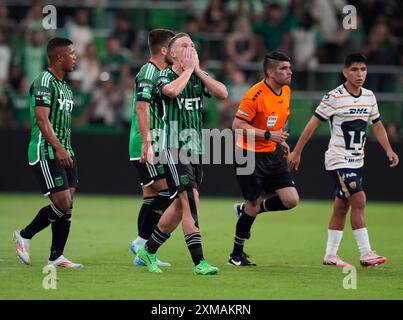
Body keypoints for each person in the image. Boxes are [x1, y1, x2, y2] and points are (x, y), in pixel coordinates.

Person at [288, 53, 399, 267]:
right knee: (359, 200)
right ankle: (366, 253)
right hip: (338, 160)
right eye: (355, 69)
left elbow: (376, 125)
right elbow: (313, 123)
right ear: (345, 72)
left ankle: (330, 255)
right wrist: (297, 151)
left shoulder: (369, 96)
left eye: (363, 69)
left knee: (341, 206)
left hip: (358, 161)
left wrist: (388, 149)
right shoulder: (334, 97)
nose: (359, 74)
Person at [137, 33, 228, 275]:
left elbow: (223, 93)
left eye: (193, 45)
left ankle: (148, 249)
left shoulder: (197, 77)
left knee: (179, 206)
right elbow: (172, 92)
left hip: (196, 148)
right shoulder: (162, 76)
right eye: (184, 45)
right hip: (172, 147)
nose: (191, 48)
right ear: (173, 53)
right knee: (191, 199)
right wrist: (189, 71)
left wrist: (197, 71)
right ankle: (199, 262)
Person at [13, 38, 83, 268]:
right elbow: (42, 120)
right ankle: (24, 235)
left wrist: (66, 149)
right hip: (46, 150)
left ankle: (56, 256)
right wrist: (58, 147)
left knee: (68, 204)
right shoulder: (43, 81)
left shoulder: (65, 86)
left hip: (65, 151)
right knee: (62, 202)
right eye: (71, 53)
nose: (75, 57)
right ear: (59, 57)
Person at [229, 51, 299, 266]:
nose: (289, 72)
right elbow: (237, 126)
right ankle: (236, 255)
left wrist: (280, 140)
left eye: (289, 68)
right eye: (283, 68)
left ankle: (247, 210)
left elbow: (275, 122)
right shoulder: (255, 95)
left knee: (291, 200)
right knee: (253, 204)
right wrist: (269, 135)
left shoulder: (285, 91)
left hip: (272, 152)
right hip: (248, 154)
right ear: (270, 72)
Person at [128, 29, 175, 267]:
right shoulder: (148, 71)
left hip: (156, 141)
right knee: (169, 192)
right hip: (148, 143)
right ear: (164, 50)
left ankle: (142, 250)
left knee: (153, 195)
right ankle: (143, 244)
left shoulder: (161, 73)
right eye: (174, 48)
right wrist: (148, 143)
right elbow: (141, 108)